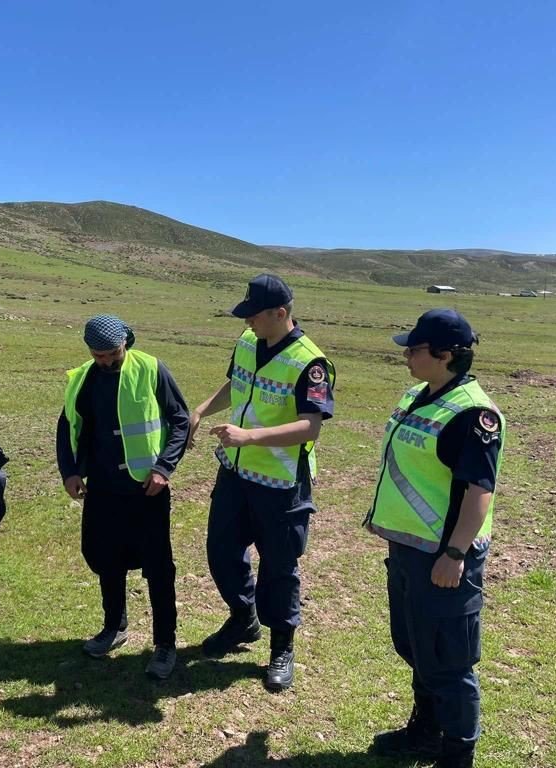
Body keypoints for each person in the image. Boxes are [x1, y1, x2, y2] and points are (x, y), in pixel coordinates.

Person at [364, 308, 505, 768]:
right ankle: (425, 731)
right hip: (408, 549)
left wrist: (455, 553)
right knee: (415, 647)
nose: (406, 354)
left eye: (415, 348)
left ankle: (457, 755)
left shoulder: (473, 415)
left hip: (444, 558)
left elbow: (479, 493)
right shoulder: (419, 395)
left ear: (445, 355)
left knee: (448, 661)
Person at [189, 274, 335, 692]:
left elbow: (310, 428)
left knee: (279, 566)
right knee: (221, 549)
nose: (248, 321)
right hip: (235, 472)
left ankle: (281, 647)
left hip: (280, 482)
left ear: (281, 313)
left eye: (255, 315)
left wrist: (249, 436)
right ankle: (242, 618)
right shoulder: (248, 341)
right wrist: (200, 409)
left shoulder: (311, 363)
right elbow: (237, 385)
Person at [56, 314, 190, 680]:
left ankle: (165, 644)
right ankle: (114, 626)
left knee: (158, 568)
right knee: (104, 559)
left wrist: (164, 468)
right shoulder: (83, 377)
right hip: (101, 489)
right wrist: (69, 471)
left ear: (125, 343)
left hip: (146, 489)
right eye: (98, 356)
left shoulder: (151, 369)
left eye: (111, 354)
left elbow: (180, 420)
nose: (105, 362)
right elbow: (67, 422)